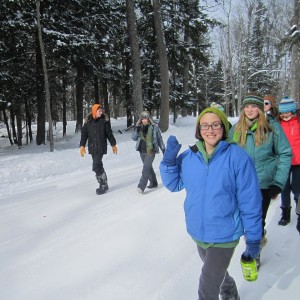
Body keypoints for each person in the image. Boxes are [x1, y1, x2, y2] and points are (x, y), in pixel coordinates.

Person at [160, 107, 262, 300]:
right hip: (199, 232)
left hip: (225, 234)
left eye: (215, 124)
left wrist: (254, 239)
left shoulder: (238, 158)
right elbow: (174, 184)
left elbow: (250, 203)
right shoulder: (190, 157)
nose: (210, 130)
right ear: (199, 129)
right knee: (217, 274)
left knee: (207, 287)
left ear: (223, 128)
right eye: (205, 125)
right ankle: (230, 292)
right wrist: (168, 162)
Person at [228, 94, 292, 250]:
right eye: (247, 106)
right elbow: (226, 154)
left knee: (257, 219)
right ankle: (256, 237)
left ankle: (253, 252)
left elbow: (285, 153)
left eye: (254, 106)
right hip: (240, 183)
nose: (250, 110)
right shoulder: (236, 129)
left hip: (263, 183)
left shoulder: (272, 127)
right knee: (243, 219)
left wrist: (278, 182)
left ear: (260, 109)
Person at [79, 104, 117, 194]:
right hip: (92, 147)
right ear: (94, 111)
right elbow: (84, 134)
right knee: (98, 165)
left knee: (96, 166)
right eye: (99, 111)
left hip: (101, 147)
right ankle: (104, 183)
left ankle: (103, 184)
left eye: (101, 111)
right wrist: (82, 146)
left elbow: (109, 134)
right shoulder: (88, 122)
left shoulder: (104, 121)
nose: (101, 112)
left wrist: (113, 144)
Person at [277, 97, 300, 226]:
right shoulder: (278, 124)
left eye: (287, 112)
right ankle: (285, 213)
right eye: (282, 113)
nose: (284, 115)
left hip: (298, 161)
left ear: (292, 111)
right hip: (283, 162)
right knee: (284, 188)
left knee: (298, 189)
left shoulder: (298, 122)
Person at [132, 111, 165, 194]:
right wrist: (137, 129)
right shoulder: (140, 127)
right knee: (148, 167)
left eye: (145, 119)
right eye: (142, 119)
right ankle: (153, 182)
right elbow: (134, 138)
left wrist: (164, 149)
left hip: (151, 151)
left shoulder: (154, 127)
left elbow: (159, 139)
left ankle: (141, 187)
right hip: (141, 151)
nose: (144, 120)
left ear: (149, 119)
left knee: (145, 168)